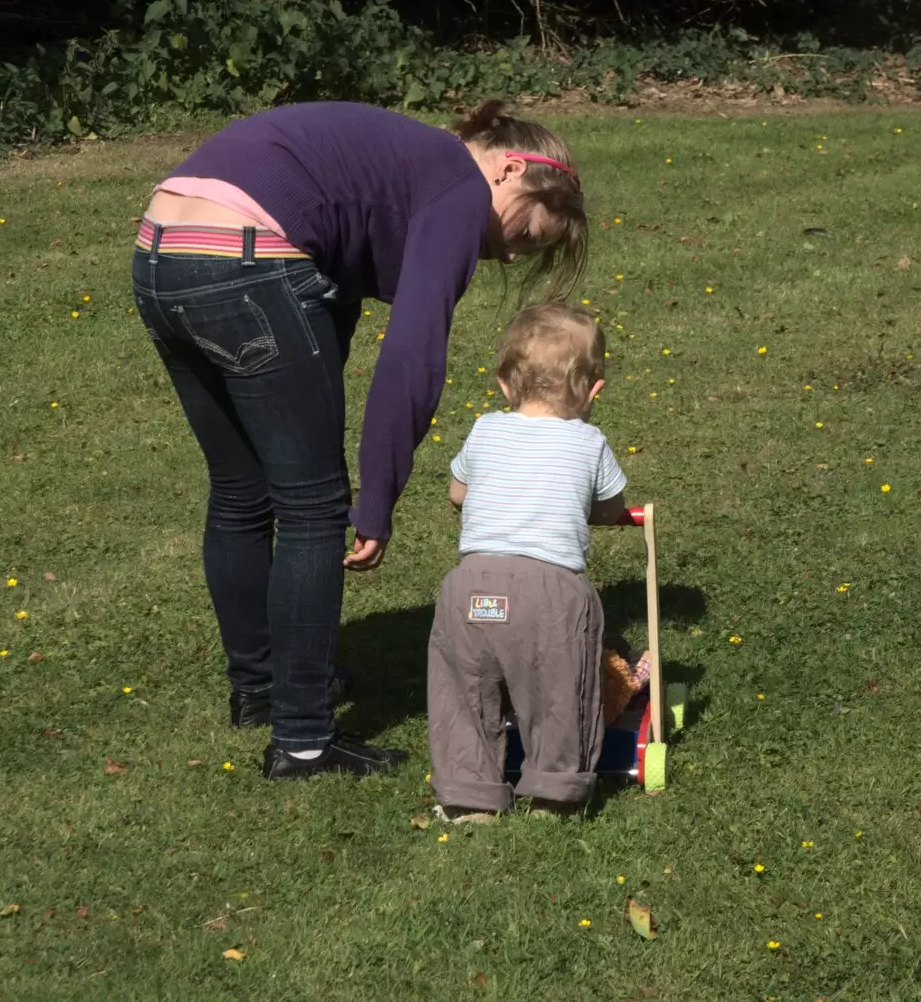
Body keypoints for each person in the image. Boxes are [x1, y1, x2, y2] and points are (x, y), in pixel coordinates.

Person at [130, 101, 587, 779]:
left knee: (242, 489)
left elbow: (332, 298)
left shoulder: (403, 163)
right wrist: (377, 496)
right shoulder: (458, 186)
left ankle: (260, 690)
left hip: (161, 252)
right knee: (314, 506)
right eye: (525, 229)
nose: (510, 249)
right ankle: (304, 740)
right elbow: (412, 354)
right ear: (510, 169)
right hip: (247, 259)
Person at [427, 303, 628, 821]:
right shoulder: (589, 440)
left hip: (471, 585)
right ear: (593, 390)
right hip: (549, 592)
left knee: (463, 691)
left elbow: (457, 494)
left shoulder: (484, 430)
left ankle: (470, 799)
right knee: (560, 688)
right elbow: (606, 507)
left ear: (503, 385)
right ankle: (553, 794)